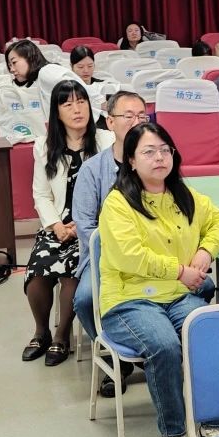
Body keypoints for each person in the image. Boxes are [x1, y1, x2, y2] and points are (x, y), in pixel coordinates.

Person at [97, 122, 219, 437]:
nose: (159, 157)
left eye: (164, 150)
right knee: (164, 346)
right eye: (148, 151)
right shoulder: (118, 203)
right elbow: (129, 256)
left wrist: (205, 251)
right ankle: (175, 435)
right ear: (130, 160)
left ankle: (212, 425)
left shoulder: (183, 195)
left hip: (176, 295)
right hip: (129, 299)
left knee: (209, 332)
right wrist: (179, 271)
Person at [22, 80, 113, 367]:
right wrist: (56, 225)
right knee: (38, 273)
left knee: (72, 274)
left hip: (92, 229)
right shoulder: (44, 146)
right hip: (56, 228)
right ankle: (41, 332)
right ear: (57, 112)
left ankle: (62, 336)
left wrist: (81, 225)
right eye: (68, 103)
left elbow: (113, 191)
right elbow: (41, 194)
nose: (77, 109)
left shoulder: (107, 141)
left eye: (81, 101)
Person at [72, 90, 150, 396]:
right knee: (86, 299)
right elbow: (85, 227)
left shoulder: (157, 162)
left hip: (151, 255)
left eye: (141, 116)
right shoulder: (92, 169)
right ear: (110, 122)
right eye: (127, 116)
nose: (135, 122)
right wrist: (122, 254)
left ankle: (151, 349)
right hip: (105, 257)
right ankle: (114, 356)